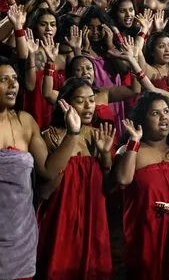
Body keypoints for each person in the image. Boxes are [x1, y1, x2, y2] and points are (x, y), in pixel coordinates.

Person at [0, 56, 86, 280]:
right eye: (3, 79)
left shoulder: (25, 121)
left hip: (20, 236)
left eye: (15, 79)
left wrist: (72, 133)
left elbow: (48, 171)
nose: (13, 85)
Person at [113, 93, 169, 280]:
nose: (163, 117)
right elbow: (123, 179)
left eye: (166, 112)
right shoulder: (130, 149)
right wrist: (134, 142)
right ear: (142, 119)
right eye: (155, 113)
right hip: (147, 236)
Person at [36, 78, 114, 280]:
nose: (89, 106)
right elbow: (44, 190)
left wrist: (105, 155)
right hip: (59, 220)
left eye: (92, 99)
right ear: (66, 104)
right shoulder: (49, 135)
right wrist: (73, 133)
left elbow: (109, 188)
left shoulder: (98, 136)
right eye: (81, 100)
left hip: (93, 218)